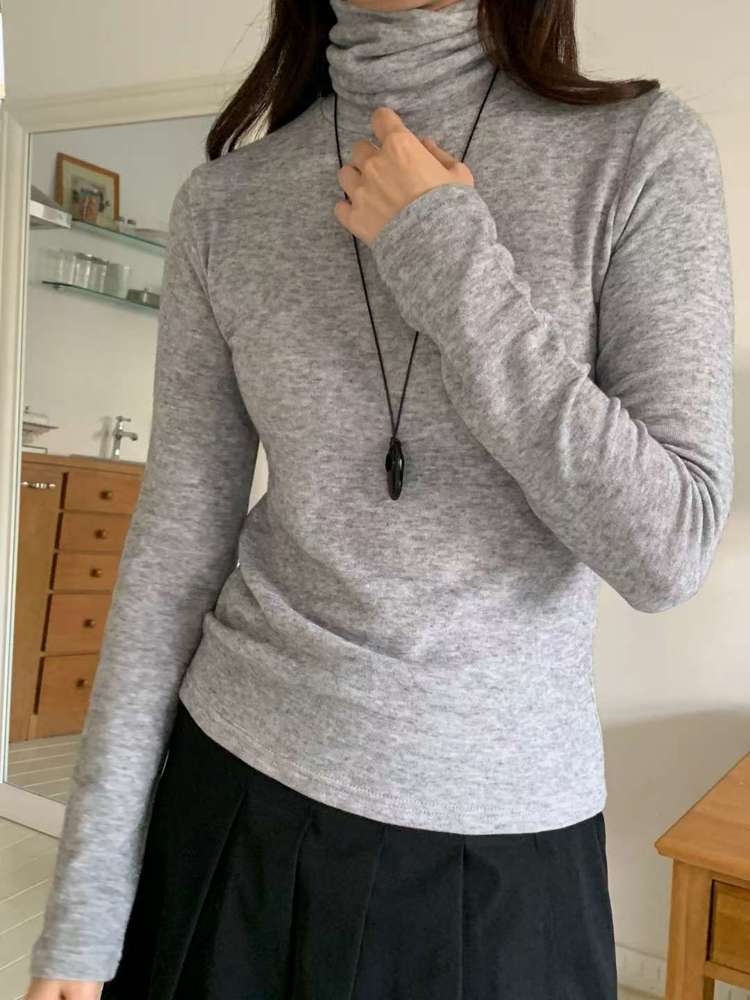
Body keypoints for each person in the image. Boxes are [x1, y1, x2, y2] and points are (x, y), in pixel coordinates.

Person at [25, 0, 734, 995]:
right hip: (231, 803)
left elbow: (667, 549)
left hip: (498, 847)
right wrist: (88, 899)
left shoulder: (640, 153)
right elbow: (175, 554)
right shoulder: (226, 204)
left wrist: (446, 256)